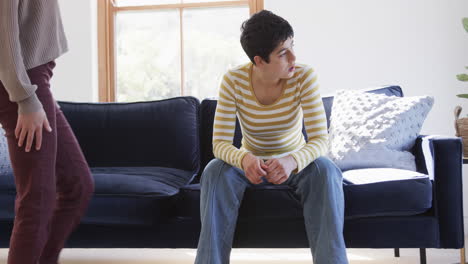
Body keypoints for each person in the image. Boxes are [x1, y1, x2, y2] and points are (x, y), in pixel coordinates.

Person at [194, 10, 348, 264]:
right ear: (259, 61)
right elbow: (219, 144)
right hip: (251, 164)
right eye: (283, 53)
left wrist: (292, 161)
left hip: (294, 162)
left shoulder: (304, 76)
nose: (294, 58)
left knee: (326, 170)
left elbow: (320, 140)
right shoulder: (234, 80)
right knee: (214, 170)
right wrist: (244, 160)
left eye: (292, 47)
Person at [0, 1, 94, 263]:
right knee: (37, 199)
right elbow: (3, 33)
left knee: (77, 184)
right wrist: (25, 98)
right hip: (23, 82)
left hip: (35, 79)